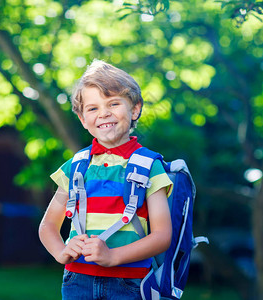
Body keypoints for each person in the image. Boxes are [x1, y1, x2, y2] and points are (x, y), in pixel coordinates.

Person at [38, 59, 172, 300]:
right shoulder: (75, 166)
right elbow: (48, 226)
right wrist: (61, 252)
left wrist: (113, 257)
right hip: (76, 281)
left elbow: (162, 236)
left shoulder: (149, 166)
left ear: (135, 109)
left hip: (129, 282)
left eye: (113, 103)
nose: (104, 113)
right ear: (82, 119)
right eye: (93, 108)